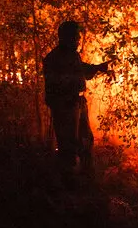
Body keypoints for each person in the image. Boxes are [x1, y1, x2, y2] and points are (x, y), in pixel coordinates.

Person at [43, 20, 110, 187]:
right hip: (66, 105)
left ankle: (87, 177)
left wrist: (98, 68)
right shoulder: (54, 59)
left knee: (85, 139)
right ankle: (69, 184)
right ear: (67, 37)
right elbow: (55, 85)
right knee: (68, 144)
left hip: (78, 103)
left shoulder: (72, 55)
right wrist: (64, 101)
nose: (79, 39)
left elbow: (82, 69)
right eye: (76, 37)